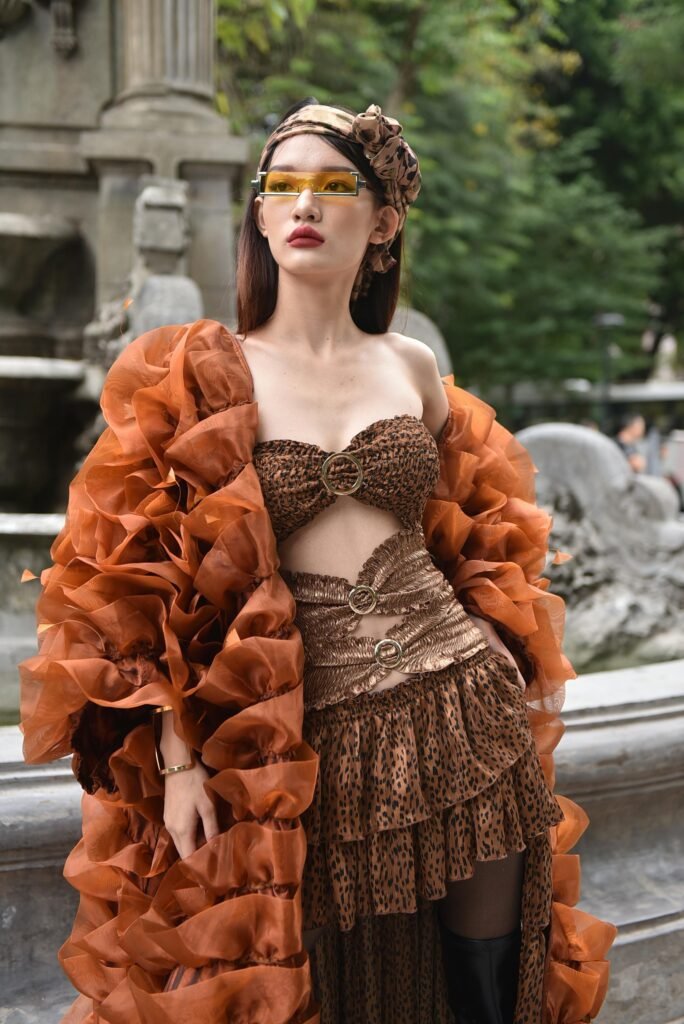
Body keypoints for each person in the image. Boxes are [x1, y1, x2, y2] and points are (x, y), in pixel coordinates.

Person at [18, 99, 616, 1023]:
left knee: (487, 994)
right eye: (282, 186)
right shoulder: (207, 375)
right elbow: (140, 580)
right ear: (259, 217)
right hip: (307, 737)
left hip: (461, 710)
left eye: (333, 186)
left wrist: (497, 631)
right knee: (333, 993)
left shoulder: (411, 366)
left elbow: (478, 520)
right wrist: (179, 764)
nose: (304, 203)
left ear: (381, 222)